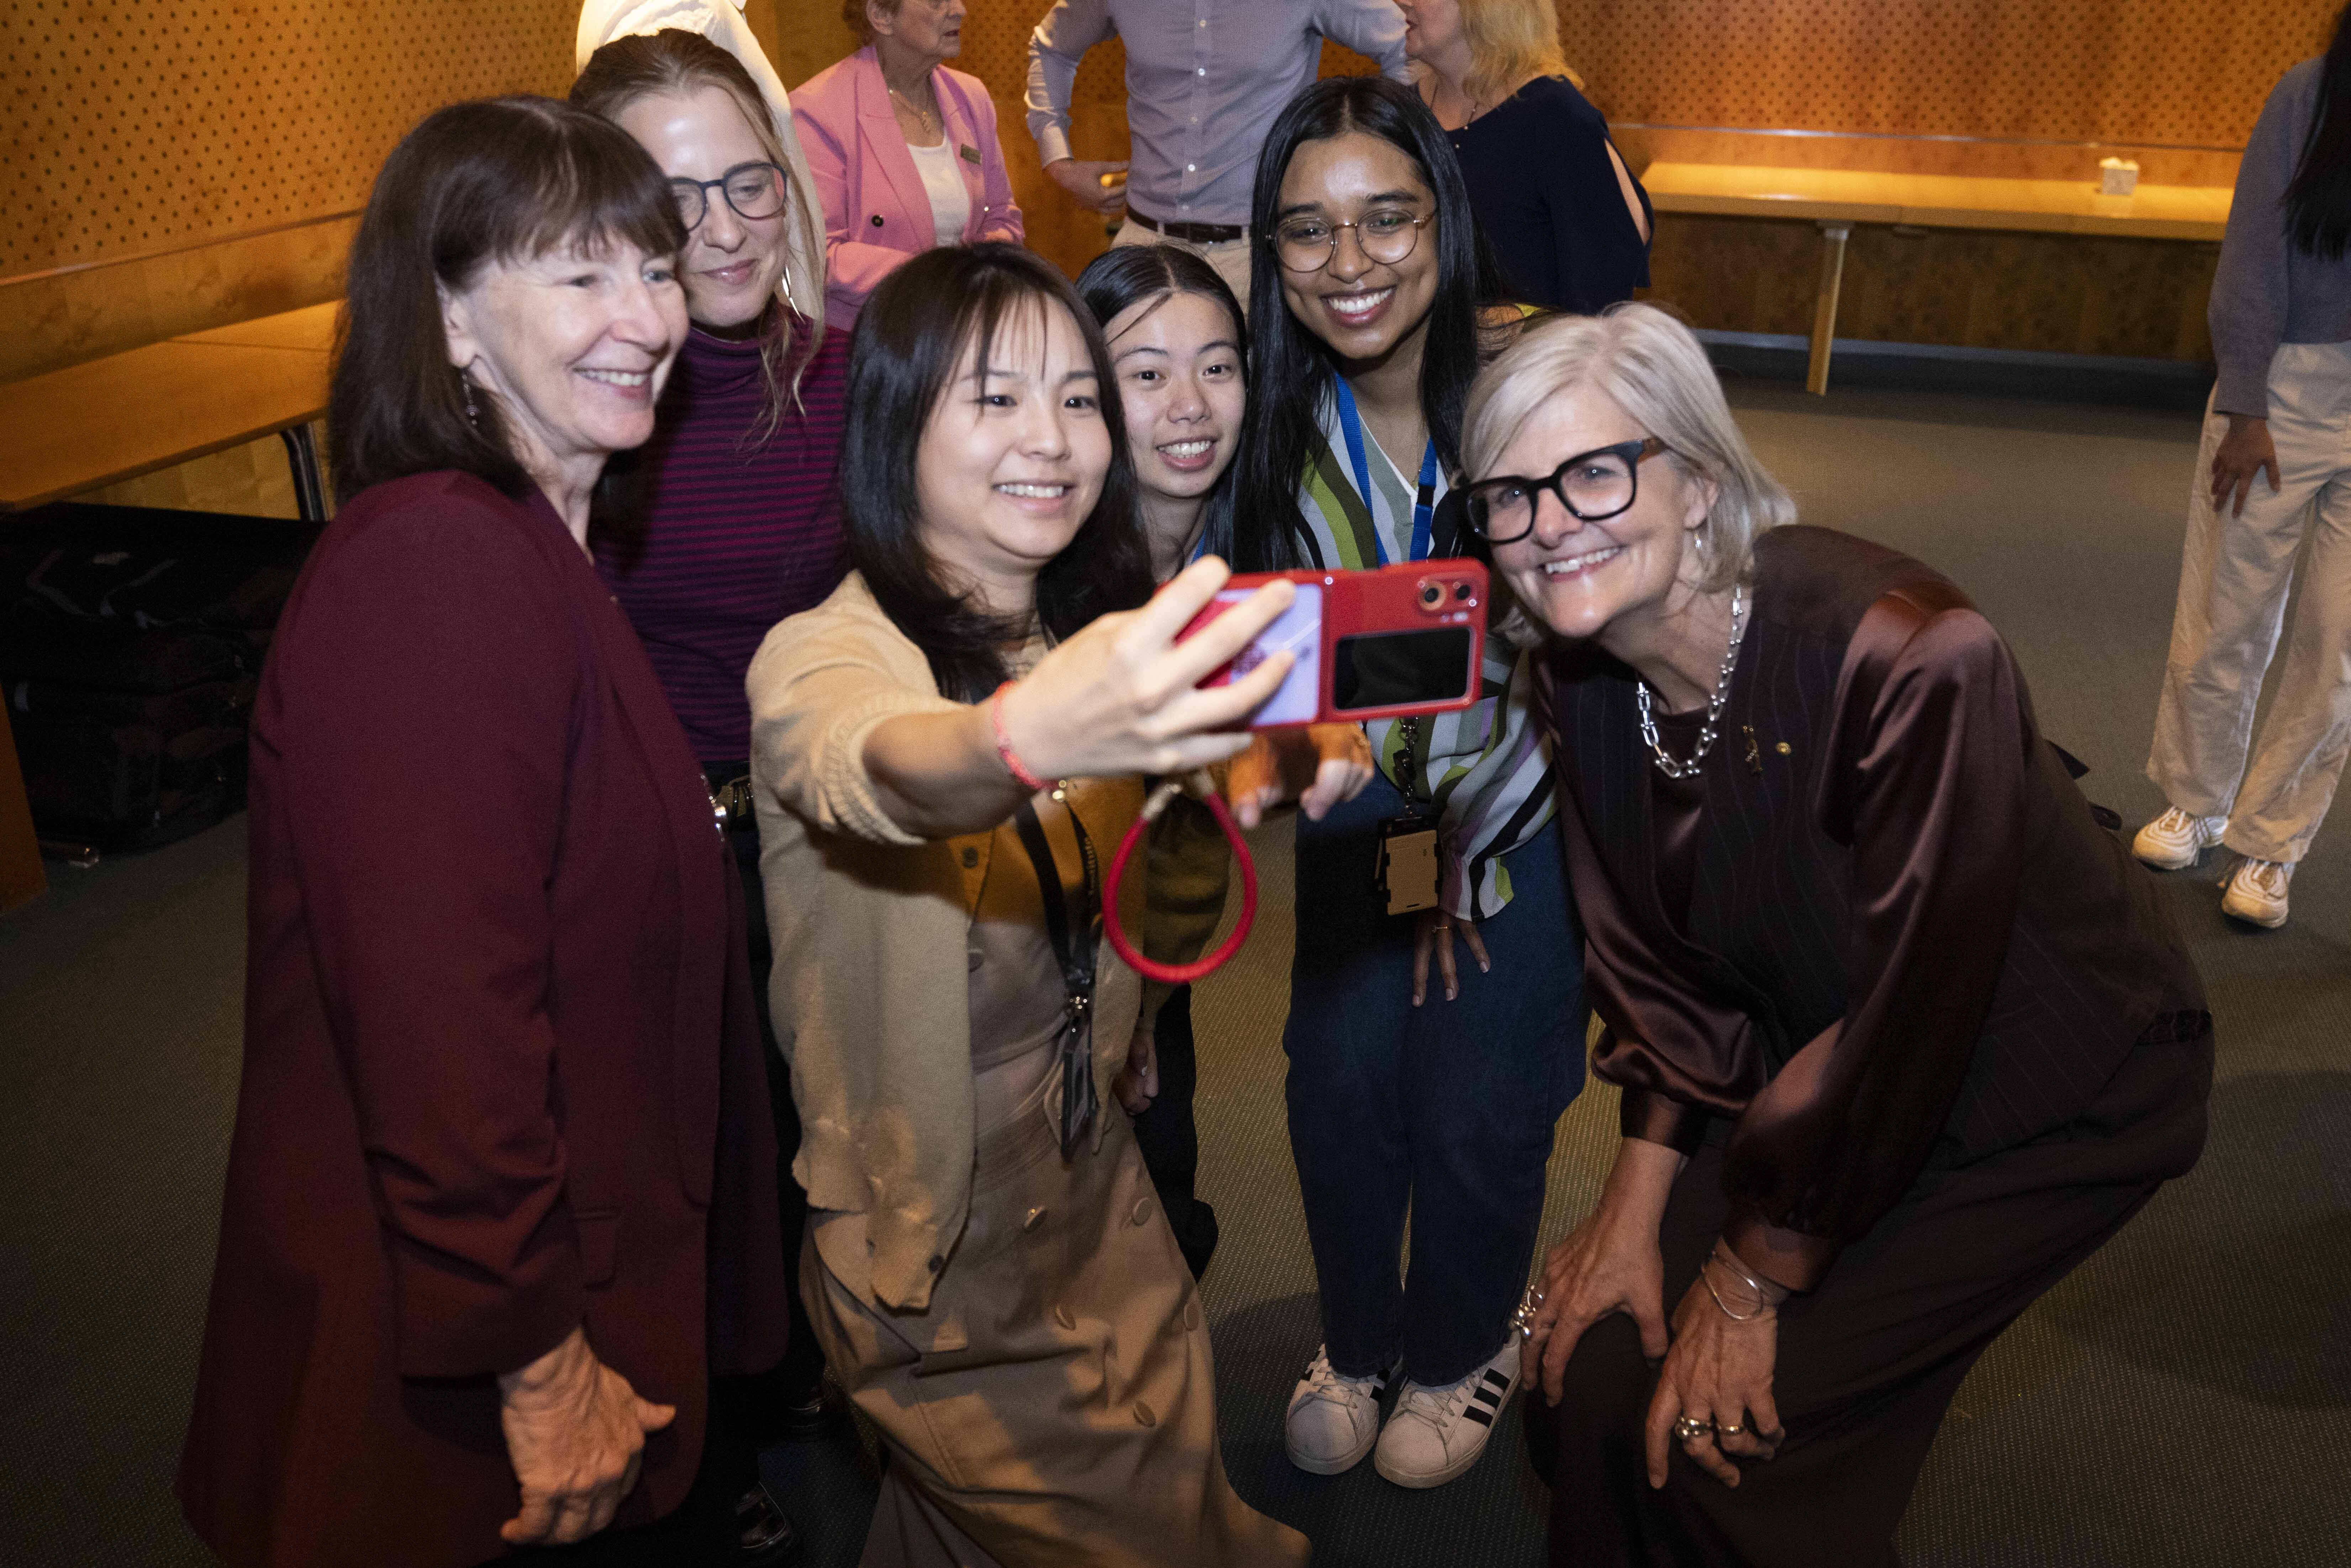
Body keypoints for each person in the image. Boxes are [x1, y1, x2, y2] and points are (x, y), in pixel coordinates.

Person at [1475, 304, 2213, 1567]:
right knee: (1587, 1373)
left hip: (2044, 1085)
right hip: (1815, 1057)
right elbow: (1655, 973)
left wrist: (1751, 1273)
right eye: (1507, 494)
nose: (1549, 524)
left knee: (1717, 1448)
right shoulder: (1578, 670)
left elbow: (1922, 1004)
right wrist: (1628, 1210)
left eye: (1593, 471)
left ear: (1698, 483)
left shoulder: (1904, 653)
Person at [176, 97, 789, 1568]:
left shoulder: (540, 546)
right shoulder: (434, 567)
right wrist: (533, 1356)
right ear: (448, 319)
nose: (644, 313)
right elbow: (439, 1022)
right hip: (461, 1400)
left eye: (651, 266)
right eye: (578, 276)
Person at [748, 242, 1337, 1565]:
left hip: (1091, 1173)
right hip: (931, 1235)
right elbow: (879, 767)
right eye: (995, 397)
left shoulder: (1082, 636)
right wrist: (1025, 736)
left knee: (1155, 1485)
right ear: (896, 420)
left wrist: (1236, 793)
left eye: (1078, 398)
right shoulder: (828, 652)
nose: (1055, 438)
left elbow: (1134, 902)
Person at [1228, 74, 1585, 1491]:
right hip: (1362, 819)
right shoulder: (1263, 418)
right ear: (1269, 252)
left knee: (1480, 1105)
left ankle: (1459, 1344)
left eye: (1385, 217)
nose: (1350, 261)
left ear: (1444, 216)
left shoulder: (1534, 384)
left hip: (1522, 812)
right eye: (1306, 232)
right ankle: (1359, 1341)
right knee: (1340, 1090)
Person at [571, 28, 855, 1559]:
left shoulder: (850, 364)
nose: (729, 225)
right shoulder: (583, 409)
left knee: (826, 1135)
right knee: (681, 1171)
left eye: (750, 179)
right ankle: (712, 1436)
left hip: (823, 830)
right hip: (645, 849)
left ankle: (794, 1370)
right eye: (677, 199)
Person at [1073, 241, 1375, 1282]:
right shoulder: (1044, 581)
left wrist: (1320, 752)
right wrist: (1109, 1013)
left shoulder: (1267, 558)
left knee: (1166, 1231)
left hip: (1164, 958)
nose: (1193, 403)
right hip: (1040, 973)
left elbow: (1271, 786)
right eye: (1147, 374)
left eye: (1219, 364)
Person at [2136, 5, 2351, 930]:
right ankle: (2195, 797)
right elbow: (2252, 257)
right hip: (2287, 389)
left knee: (2338, 645)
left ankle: (2271, 847)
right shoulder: (2307, 96)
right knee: (2228, 603)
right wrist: (2246, 402)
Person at [1025, 0, 1412, 308]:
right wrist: (1058, 161)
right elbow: (1052, 48)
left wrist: (1368, 159)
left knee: (1265, 405)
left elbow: (1406, 46)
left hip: (1261, 255)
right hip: (1145, 243)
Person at [576, 0, 826, 318]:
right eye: (676, 202)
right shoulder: (677, 11)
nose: (728, 235)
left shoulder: (841, 363)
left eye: (749, 188)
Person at [1400, 0, 1650, 312]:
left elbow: (1606, 275)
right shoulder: (1402, 111)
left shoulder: (1554, 114)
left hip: (1532, 356)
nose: (1402, 2)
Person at [793, 0, 1024, 326]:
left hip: (965, 326)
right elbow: (820, 253)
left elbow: (1003, 217)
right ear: (882, 16)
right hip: (869, 340)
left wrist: (981, 272)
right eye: (937, 2)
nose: (960, 10)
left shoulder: (971, 96)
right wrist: (939, 280)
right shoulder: (817, 110)